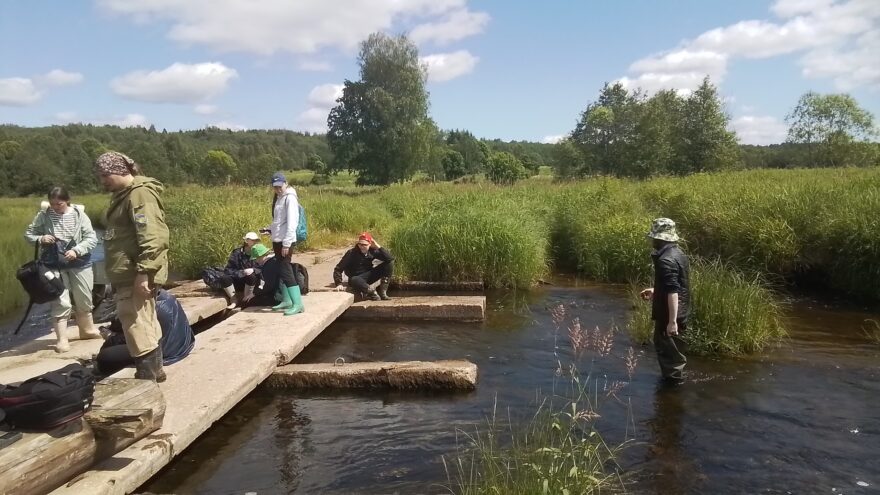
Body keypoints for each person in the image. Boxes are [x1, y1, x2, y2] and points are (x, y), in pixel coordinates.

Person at [95, 151, 170, 382]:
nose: (102, 180)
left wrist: (144, 272)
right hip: (129, 272)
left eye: (105, 174)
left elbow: (153, 237)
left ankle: (147, 375)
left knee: (135, 321)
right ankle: (155, 371)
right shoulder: (124, 194)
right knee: (143, 320)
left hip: (134, 273)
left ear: (120, 171)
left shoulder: (139, 195)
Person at [24, 187, 101, 352]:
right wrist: (41, 238)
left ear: (67, 200)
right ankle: (62, 339)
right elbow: (29, 235)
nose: (55, 207)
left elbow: (91, 238)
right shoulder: (43, 215)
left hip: (80, 263)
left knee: (84, 297)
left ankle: (87, 330)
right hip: (53, 264)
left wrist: (77, 250)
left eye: (59, 204)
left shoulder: (80, 215)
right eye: (52, 204)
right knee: (60, 300)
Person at [95, 289, 195, 377]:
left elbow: (136, 335)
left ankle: (151, 372)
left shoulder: (140, 306)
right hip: (182, 345)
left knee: (104, 357)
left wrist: (111, 338)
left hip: (164, 352)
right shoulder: (165, 296)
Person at [640, 218, 691, 385]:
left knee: (671, 358)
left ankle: (673, 393)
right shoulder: (678, 254)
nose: (652, 240)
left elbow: (673, 291)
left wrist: (672, 322)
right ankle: (673, 387)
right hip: (680, 311)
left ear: (659, 239)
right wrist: (655, 291)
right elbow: (676, 284)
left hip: (670, 315)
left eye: (654, 237)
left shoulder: (665, 260)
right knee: (674, 355)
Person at [264, 172, 304, 316]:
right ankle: (287, 300)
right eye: (275, 187)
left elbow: (292, 222)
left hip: (285, 241)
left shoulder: (290, 198)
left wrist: (287, 244)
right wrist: (270, 229)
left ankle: (298, 304)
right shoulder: (279, 198)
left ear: (285, 183)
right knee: (281, 270)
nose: (278, 189)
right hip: (278, 239)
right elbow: (279, 221)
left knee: (286, 270)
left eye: (280, 186)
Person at [333, 232, 394, 301]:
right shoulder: (351, 253)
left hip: (368, 275)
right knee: (354, 279)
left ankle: (383, 293)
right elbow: (338, 269)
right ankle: (372, 293)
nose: (361, 246)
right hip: (356, 278)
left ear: (370, 244)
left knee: (389, 263)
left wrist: (378, 246)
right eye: (360, 244)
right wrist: (339, 284)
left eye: (364, 245)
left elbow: (390, 258)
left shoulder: (372, 251)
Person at [216, 232, 262, 309]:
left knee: (251, 276)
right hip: (238, 279)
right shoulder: (237, 253)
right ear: (247, 241)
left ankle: (246, 300)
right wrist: (241, 273)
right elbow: (228, 269)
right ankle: (234, 300)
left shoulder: (259, 252)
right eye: (253, 240)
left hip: (252, 282)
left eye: (256, 240)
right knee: (224, 277)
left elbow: (262, 268)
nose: (255, 242)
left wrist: (253, 270)